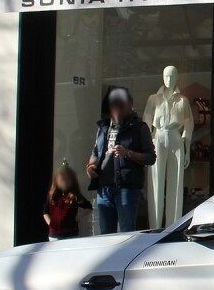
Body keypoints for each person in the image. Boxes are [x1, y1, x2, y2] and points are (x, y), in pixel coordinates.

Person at [86, 87, 156, 234]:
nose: (117, 110)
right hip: (103, 188)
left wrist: (128, 153)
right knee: (106, 235)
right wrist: (91, 166)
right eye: (114, 106)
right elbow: (96, 152)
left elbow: (151, 157)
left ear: (129, 106)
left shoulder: (139, 128)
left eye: (120, 106)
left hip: (126, 188)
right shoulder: (104, 127)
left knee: (126, 233)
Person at [43, 160, 92, 241]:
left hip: (71, 234)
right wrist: (50, 223)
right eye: (62, 180)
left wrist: (78, 216)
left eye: (68, 180)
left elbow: (89, 207)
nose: (65, 183)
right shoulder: (51, 196)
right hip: (54, 235)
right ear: (57, 181)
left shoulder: (75, 195)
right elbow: (45, 212)